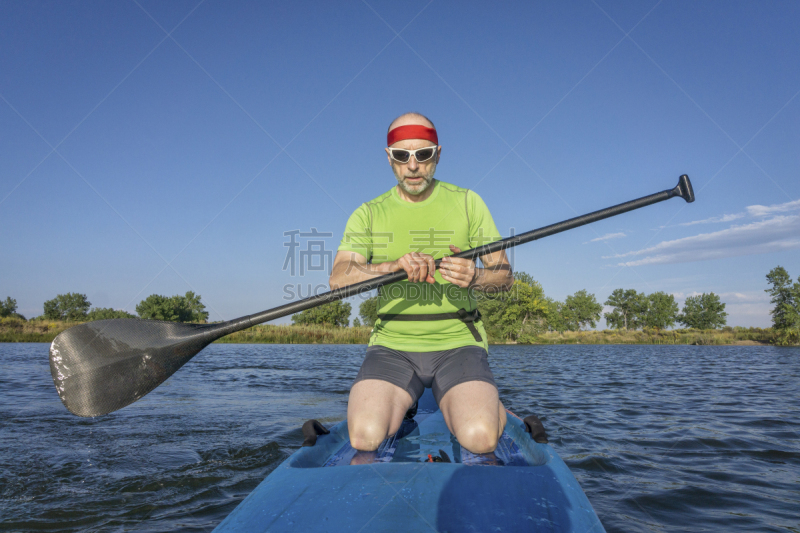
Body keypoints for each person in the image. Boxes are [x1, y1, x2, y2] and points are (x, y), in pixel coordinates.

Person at [329, 112, 514, 457]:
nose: (413, 165)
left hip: (458, 342)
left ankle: (494, 408)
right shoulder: (368, 213)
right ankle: (405, 403)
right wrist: (390, 266)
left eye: (423, 154)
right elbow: (339, 279)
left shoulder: (468, 203)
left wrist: (476, 277)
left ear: (438, 154)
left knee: (480, 437)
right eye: (402, 155)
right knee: (365, 437)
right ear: (389, 158)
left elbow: (504, 276)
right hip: (392, 344)